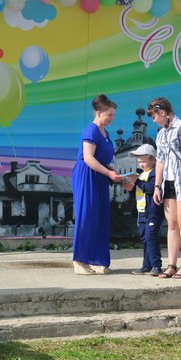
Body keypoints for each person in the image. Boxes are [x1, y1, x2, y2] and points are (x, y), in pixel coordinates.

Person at [71, 94, 123, 275]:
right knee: (87, 216)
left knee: (100, 218)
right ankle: (79, 260)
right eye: (109, 114)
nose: (111, 118)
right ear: (98, 112)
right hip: (87, 176)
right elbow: (88, 158)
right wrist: (109, 172)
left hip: (100, 177)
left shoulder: (105, 133)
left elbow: (102, 160)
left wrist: (114, 174)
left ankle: (97, 260)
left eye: (113, 115)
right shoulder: (91, 131)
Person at [148, 97, 181, 279]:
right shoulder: (161, 133)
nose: (153, 119)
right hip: (168, 181)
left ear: (162, 112)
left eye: (153, 115)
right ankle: (171, 265)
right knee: (172, 224)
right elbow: (160, 160)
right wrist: (157, 185)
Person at [123, 143, 163, 275]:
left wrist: (137, 182)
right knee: (145, 238)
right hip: (141, 212)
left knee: (151, 237)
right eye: (139, 162)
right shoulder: (141, 174)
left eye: (143, 162)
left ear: (152, 159)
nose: (140, 164)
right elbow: (140, 191)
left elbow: (151, 188)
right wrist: (131, 188)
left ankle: (157, 265)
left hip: (152, 212)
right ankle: (147, 265)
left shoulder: (155, 173)